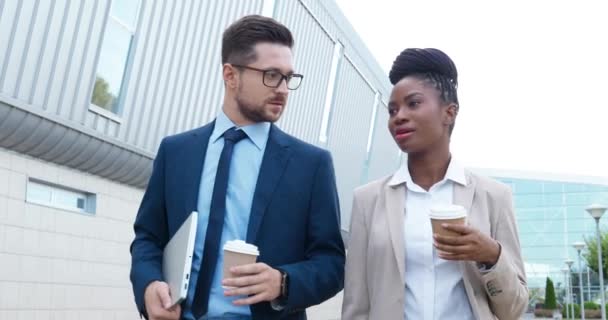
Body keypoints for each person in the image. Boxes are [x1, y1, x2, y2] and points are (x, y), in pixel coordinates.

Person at [130, 15, 345, 320]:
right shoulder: (176, 152)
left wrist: (283, 282)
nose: (283, 89)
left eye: (288, 77)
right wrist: (149, 285)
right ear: (230, 75)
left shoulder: (311, 165)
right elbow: (148, 238)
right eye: (271, 75)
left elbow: (332, 264)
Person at [341, 48, 528, 319]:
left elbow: (514, 309)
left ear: (449, 113)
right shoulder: (368, 200)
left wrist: (491, 256)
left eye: (413, 103)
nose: (398, 117)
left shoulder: (494, 196)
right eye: (392, 110)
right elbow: (356, 304)